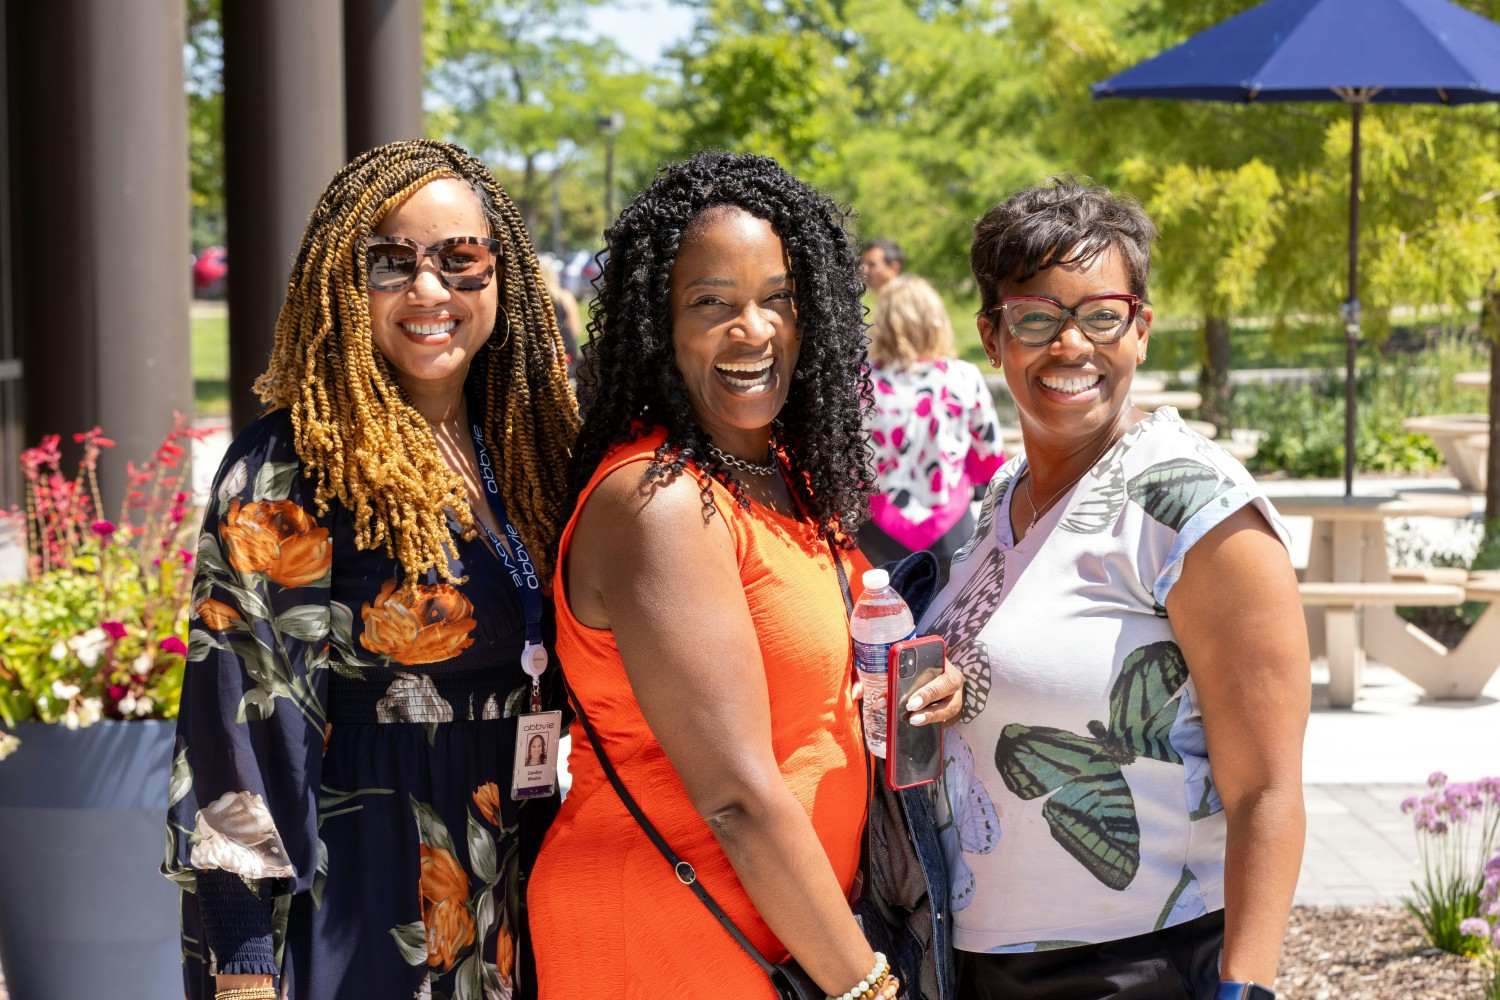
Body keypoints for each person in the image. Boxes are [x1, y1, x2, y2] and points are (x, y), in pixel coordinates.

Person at [528, 151, 964, 999]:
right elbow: (736, 796)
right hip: (670, 945)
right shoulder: (660, 505)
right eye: (711, 305)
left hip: (787, 939)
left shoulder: (785, 474)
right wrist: (868, 987)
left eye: (778, 300)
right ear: (660, 327)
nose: (753, 329)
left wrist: (909, 684)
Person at [162, 139, 580, 1000]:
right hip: (363, 883)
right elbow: (235, 713)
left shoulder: (529, 452)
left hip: (517, 872)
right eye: (394, 262)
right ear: (347, 284)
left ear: (502, 277)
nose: (431, 290)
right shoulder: (291, 466)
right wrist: (243, 959)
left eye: (462, 260)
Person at [920, 179, 1308, 1000]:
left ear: (1140, 328)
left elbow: (1266, 789)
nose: (1072, 346)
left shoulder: (1194, 507)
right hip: (983, 960)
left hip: (1143, 964)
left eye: (1101, 315)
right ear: (992, 336)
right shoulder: (1004, 499)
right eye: (1037, 318)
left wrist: (1247, 990)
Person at [860, 274, 1004, 586]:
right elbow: (988, 450)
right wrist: (977, 481)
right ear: (936, 321)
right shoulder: (962, 377)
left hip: (877, 528)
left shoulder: (862, 383)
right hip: (948, 526)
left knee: (882, 626)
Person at [537, 252, 582, 368]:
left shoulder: (533, 301)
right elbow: (576, 329)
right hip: (565, 349)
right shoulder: (565, 296)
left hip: (540, 352)